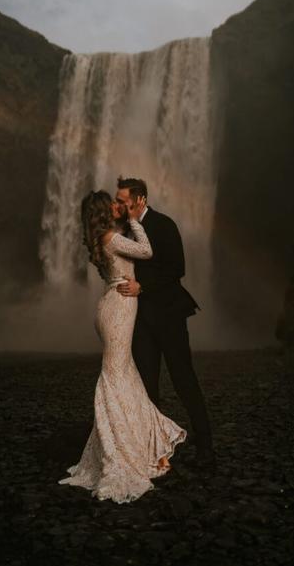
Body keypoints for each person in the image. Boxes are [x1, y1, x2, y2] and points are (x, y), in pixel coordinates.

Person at [58, 190, 187, 503]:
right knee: (116, 377)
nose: (119, 206)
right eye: (114, 204)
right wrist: (134, 220)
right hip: (120, 308)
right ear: (105, 211)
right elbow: (146, 251)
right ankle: (121, 453)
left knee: (125, 375)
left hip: (110, 307)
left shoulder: (102, 239)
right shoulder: (112, 238)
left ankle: (147, 449)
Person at [115, 177, 215, 470]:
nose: (119, 204)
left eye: (123, 200)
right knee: (147, 385)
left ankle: (206, 445)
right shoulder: (123, 230)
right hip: (141, 319)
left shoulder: (164, 225)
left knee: (183, 379)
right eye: (117, 200)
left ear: (140, 199)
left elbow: (177, 269)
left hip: (169, 315)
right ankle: (154, 452)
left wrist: (142, 286)